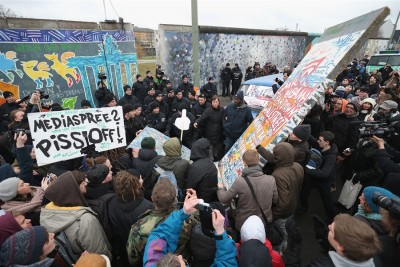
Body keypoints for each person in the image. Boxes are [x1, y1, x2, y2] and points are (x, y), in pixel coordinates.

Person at [143, 189, 238, 267]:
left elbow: (160, 236)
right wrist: (221, 234)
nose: (180, 256)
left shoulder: (152, 263)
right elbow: (226, 263)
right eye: (182, 262)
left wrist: (183, 212)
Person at [40, 171, 112, 258]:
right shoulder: (85, 220)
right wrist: (107, 259)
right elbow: (98, 253)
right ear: (73, 189)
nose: (86, 183)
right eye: (82, 182)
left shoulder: (47, 213)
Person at [126, 179, 197, 266]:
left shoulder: (138, 228)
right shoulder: (188, 220)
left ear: (152, 198)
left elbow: (133, 257)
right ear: (175, 199)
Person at [256, 143, 304, 253]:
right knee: (287, 228)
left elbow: (282, 203)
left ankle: (280, 251)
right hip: (293, 205)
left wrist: (271, 215)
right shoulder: (298, 166)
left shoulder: (278, 175)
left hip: (282, 213)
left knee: (280, 232)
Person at [217, 149, 278, 231]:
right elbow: (275, 199)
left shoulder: (240, 182)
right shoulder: (271, 179)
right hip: (264, 221)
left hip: (244, 223)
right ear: (258, 161)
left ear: (245, 163)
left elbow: (223, 199)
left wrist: (220, 188)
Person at [108, 170, 153, 265]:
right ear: (136, 186)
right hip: (141, 250)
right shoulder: (147, 206)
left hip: (123, 247)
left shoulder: (111, 204)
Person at [307, 214, 380, 267]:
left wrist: (296, 246)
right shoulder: (375, 260)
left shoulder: (318, 265)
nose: (328, 226)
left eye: (331, 230)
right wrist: (324, 240)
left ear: (341, 246)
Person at [299, 131, 337, 221]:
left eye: (320, 140)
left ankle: (333, 218)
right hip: (312, 178)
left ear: (327, 143)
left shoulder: (331, 157)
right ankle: (304, 206)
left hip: (323, 182)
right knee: (303, 194)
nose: (317, 141)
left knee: (327, 201)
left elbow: (324, 173)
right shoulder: (320, 145)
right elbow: (309, 137)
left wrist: (307, 170)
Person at [187, 138, 218, 202]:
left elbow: (190, 187)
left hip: (199, 199)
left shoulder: (195, 167)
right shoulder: (211, 163)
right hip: (210, 197)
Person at [195, 95, 225, 161]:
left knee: (217, 145)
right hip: (210, 131)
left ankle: (215, 156)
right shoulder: (208, 110)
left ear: (219, 102)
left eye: (216, 102)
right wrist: (196, 122)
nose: (215, 103)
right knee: (210, 145)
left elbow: (224, 118)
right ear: (211, 103)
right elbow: (202, 117)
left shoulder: (222, 109)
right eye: (213, 102)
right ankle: (211, 158)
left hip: (218, 131)